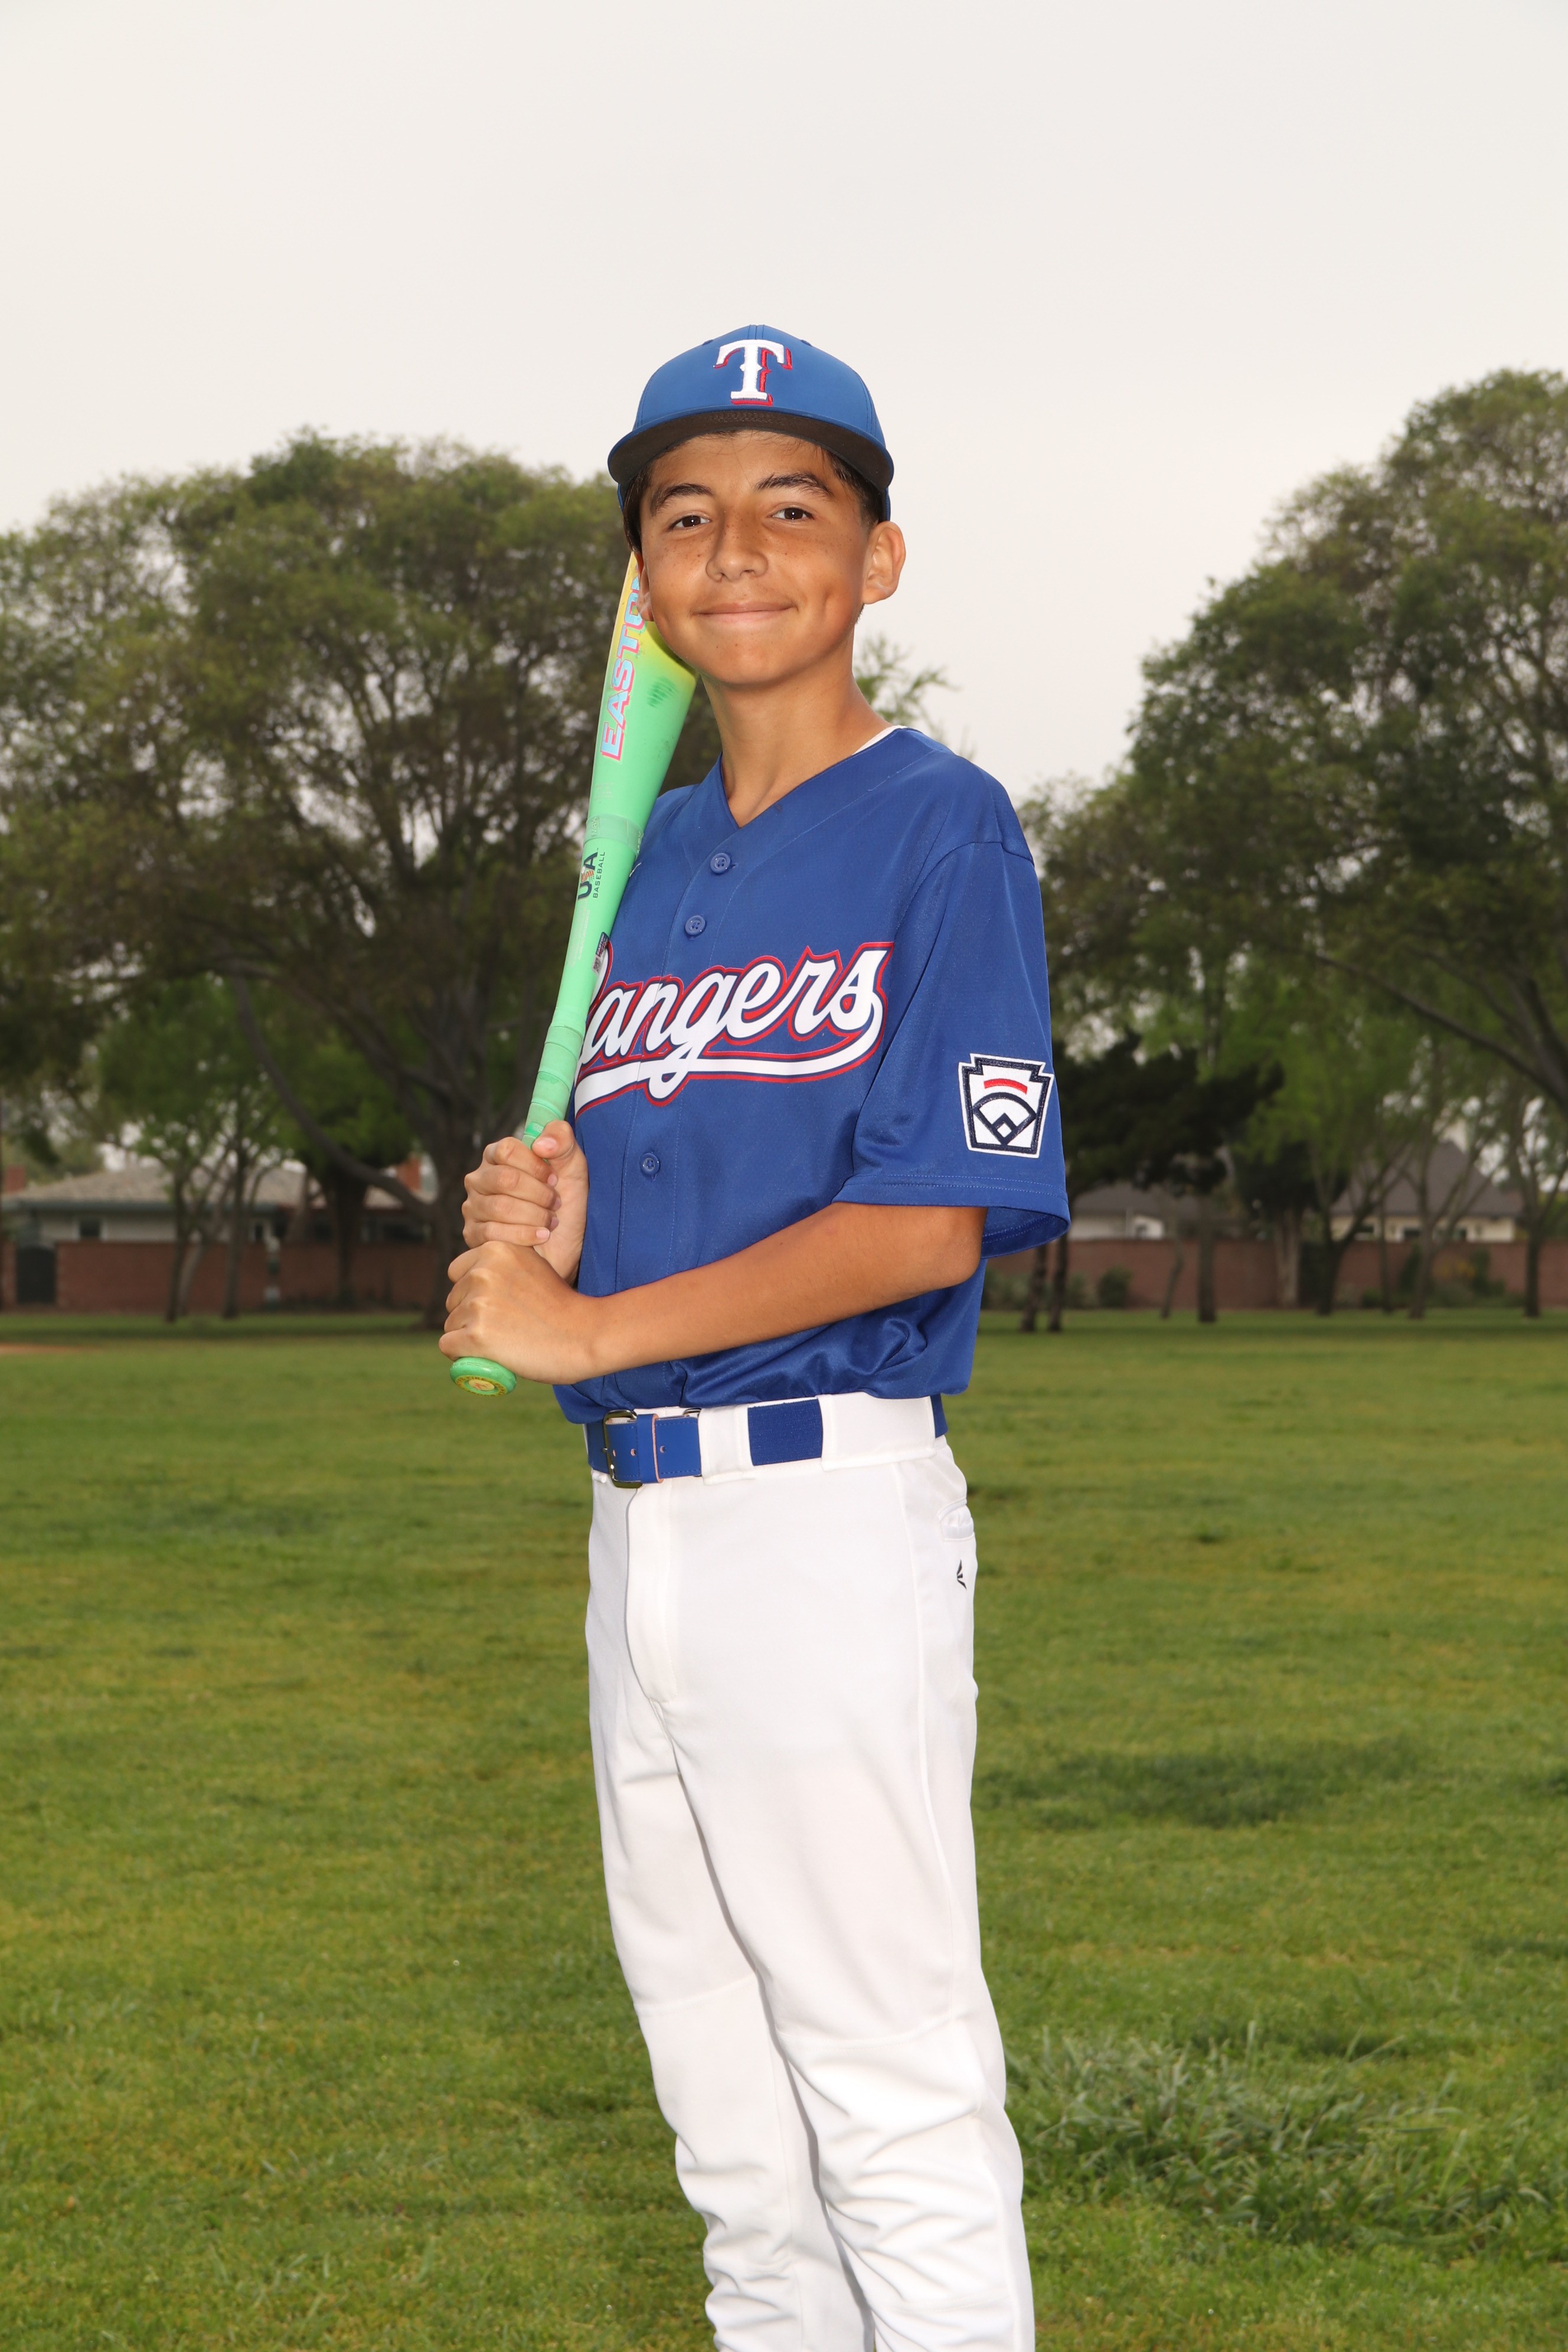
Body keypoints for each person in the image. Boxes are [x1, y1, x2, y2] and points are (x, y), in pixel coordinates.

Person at [440, 326, 1068, 2352]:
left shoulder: (942, 825)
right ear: (644, 574)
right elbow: (684, 1178)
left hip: (823, 1516)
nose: (736, 551)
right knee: (733, 2140)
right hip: (640, 1530)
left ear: (879, 559)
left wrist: (587, 1319)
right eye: (685, 515)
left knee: (888, 2096)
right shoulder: (645, 861)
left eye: (794, 508)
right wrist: (559, 1223)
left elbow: (926, 1218)